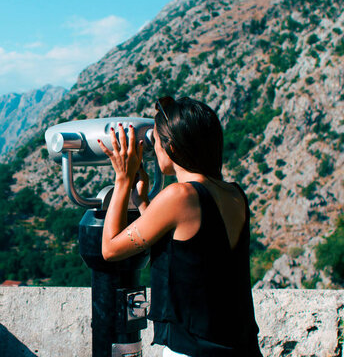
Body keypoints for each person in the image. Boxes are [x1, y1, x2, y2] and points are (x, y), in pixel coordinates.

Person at [97, 96, 262, 357]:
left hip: (194, 349)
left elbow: (109, 249)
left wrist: (122, 180)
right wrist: (143, 203)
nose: (155, 148)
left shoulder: (180, 196)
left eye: (156, 141)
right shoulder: (235, 195)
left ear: (171, 146)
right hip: (241, 347)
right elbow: (191, 246)